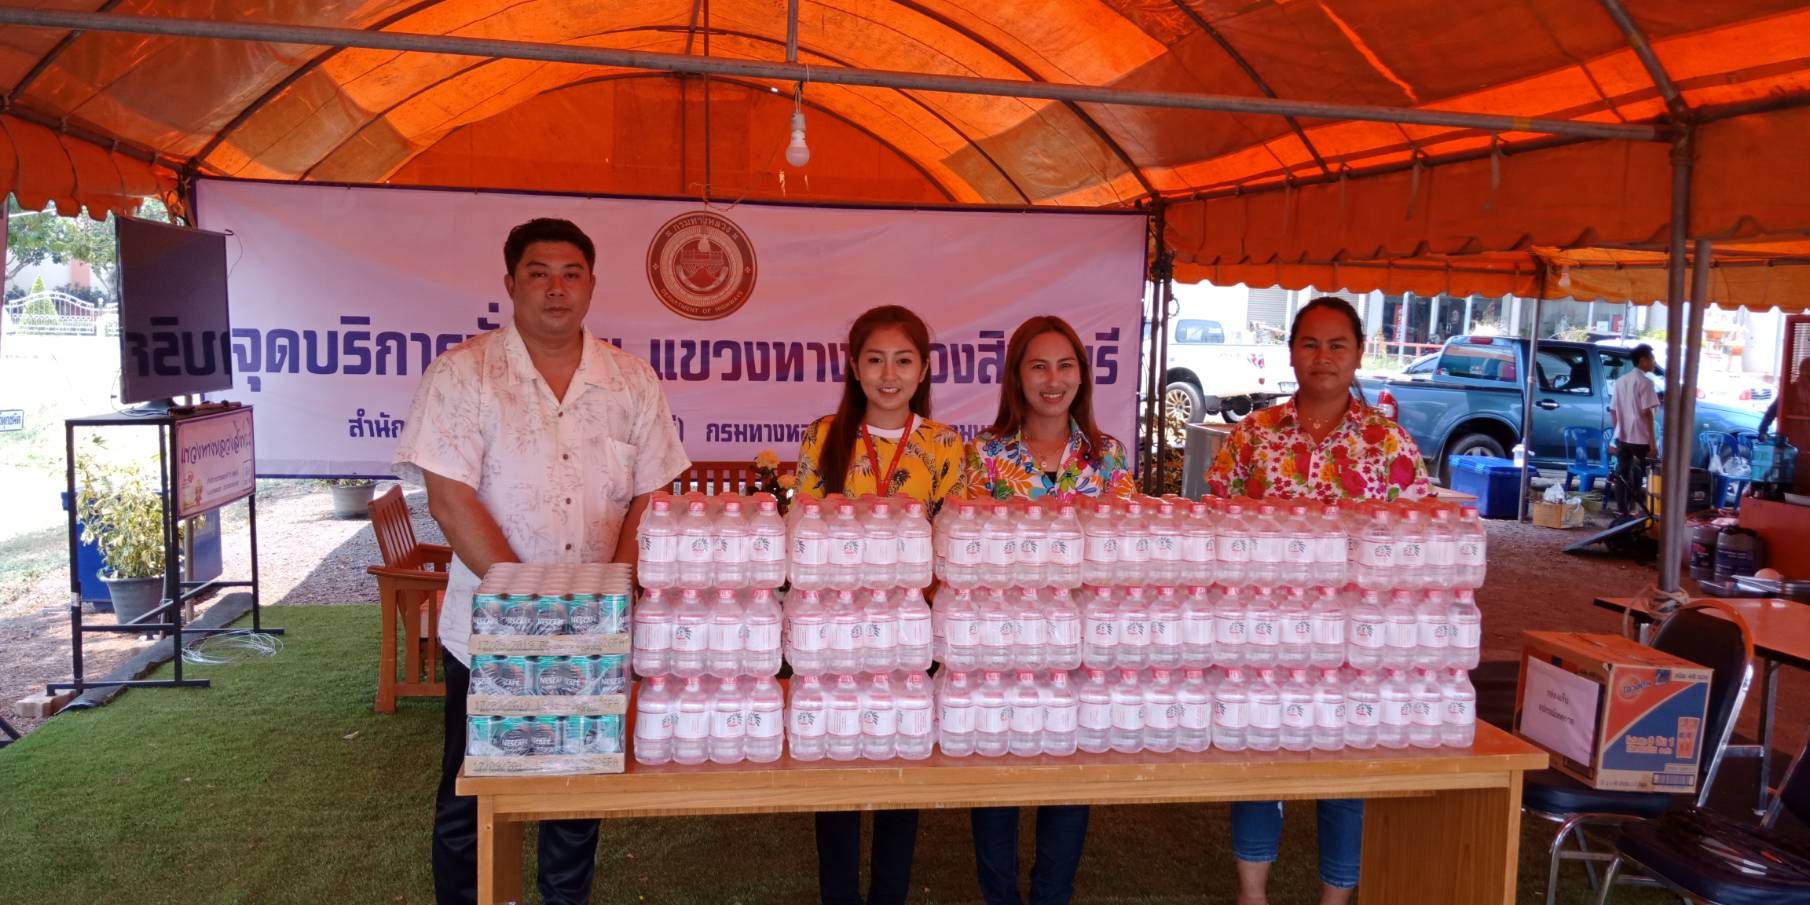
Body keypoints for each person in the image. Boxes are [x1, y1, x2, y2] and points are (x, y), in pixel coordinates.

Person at [392, 218, 690, 905]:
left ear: (591, 285)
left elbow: (652, 496)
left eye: (571, 274)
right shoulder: (463, 374)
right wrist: (532, 604)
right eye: (538, 273)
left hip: (593, 632)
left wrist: (609, 597)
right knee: (472, 794)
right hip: (489, 631)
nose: (556, 288)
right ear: (510, 283)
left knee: (577, 791)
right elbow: (449, 498)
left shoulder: (631, 380)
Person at [1205, 296, 1430, 905]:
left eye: (1337, 345)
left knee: (1346, 768)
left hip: (1355, 633)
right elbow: (1217, 524)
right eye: (1310, 343)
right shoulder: (1253, 435)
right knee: (1259, 758)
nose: (1323, 357)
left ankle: (1335, 897)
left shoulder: (1388, 441)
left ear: (1358, 354)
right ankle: (1253, 893)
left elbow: (1416, 541)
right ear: (1291, 353)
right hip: (1261, 628)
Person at [795, 304, 967, 905]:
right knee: (835, 767)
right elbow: (801, 530)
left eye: (903, 361)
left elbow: (954, 538)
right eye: (875, 360)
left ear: (923, 369)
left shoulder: (943, 444)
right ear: (853, 365)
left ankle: (890, 892)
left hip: (907, 633)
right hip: (833, 630)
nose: (888, 375)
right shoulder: (824, 435)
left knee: (902, 766)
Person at [963, 315, 1133, 905]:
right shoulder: (986, 456)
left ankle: (1052, 895)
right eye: (1038, 366)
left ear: (1083, 376)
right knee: (997, 782)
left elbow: (1125, 552)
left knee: (1068, 783)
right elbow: (967, 553)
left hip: (1080, 649)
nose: (1052, 380)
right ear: (1016, 377)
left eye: (1065, 366)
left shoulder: (1106, 458)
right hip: (1000, 645)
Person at [1608, 344, 1661, 515]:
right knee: (1655, 473)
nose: (1654, 362)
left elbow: (1613, 411)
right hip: (1641, 437)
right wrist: (1653, 445)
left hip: (1623, 436)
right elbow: (1647, 414)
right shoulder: (1645, 382)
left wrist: (1617, 433)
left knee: (1623, 475)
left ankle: (1624, 512)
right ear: (1643, 360)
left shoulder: (1621, 381)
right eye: (1652, 358)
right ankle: (1649, 511)